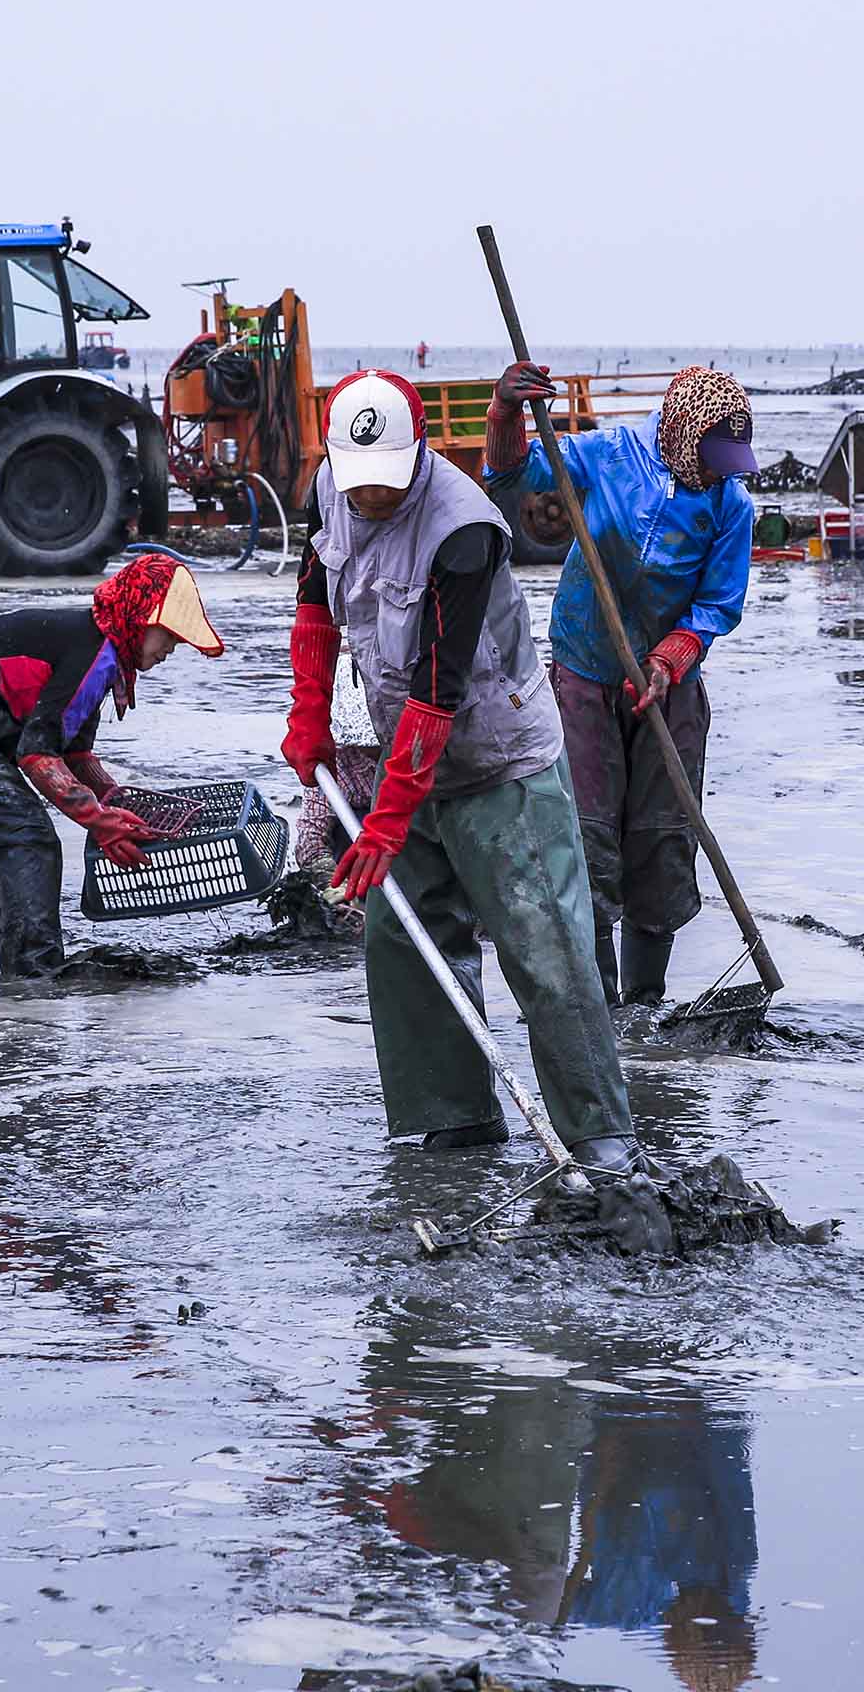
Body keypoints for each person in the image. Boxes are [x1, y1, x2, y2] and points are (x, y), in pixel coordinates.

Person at [282, 370, 639, 1167]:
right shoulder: (332, 487)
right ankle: (456, 1117)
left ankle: (599, 1135)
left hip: (494, 754)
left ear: (421, 451)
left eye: (387, 483)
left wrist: (388, 815)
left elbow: (440, 686)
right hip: (398, 746)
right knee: (406, 940)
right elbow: (315, 596)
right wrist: (309, 713)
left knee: (542, 940)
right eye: (357, 482)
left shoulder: (463, 529)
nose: (370, 498)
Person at [479, 361, 754, 1008]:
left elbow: (718, 603)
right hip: (586, 672)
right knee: (586, 833)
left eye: (729, 459)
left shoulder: (730, 505)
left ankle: (646, 1003)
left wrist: (670, 658)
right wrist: (504, 412)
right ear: (684, 434)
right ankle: (597, 1004)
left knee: (662, 837)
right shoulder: (608, 456)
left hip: (668, 683)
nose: (720, 470)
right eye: (713, 456)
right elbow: (512, 476)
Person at [0, 553, 224, 975]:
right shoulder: (96, 653)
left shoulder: (98, 650)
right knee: (25, 839)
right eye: (168, 634)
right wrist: (98, 820)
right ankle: (33, 976)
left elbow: (73, 754)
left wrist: (114, 800)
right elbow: (38, 755)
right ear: (138, 616)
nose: (171, 648)